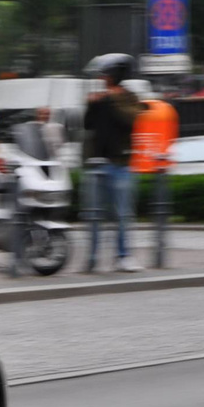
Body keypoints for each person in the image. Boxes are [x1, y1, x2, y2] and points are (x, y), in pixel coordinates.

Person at [83, 53, 147, 272]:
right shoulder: (100, 98)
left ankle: (123, 256)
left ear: (117, 75)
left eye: (106, 74)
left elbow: (130, 119)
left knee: (122, 214)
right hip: (96, 163)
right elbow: (87, 125)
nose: (103, 78)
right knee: (93, 215)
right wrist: (91, 105)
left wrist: (113, 99)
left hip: (120, 164)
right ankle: (92, 259)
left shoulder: (129, 97)